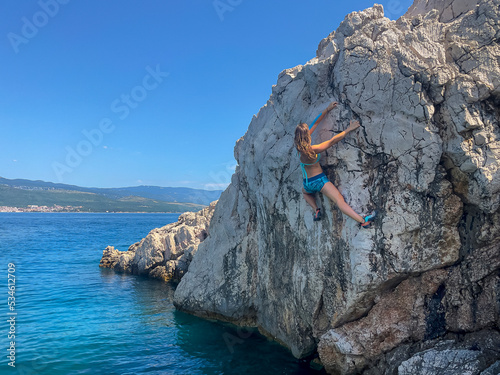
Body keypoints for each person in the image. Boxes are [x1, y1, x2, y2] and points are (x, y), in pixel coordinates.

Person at [294, 101, 376, 228]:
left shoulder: (299, 149)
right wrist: (349, 129)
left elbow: (315, 122)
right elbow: (332, 141)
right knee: (339, 200)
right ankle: (362, 220)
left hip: (307, 183)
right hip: (320, 181)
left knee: (305, 193)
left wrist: (327, 109)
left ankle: (316, 210)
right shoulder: (313, 149)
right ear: (306, 136)